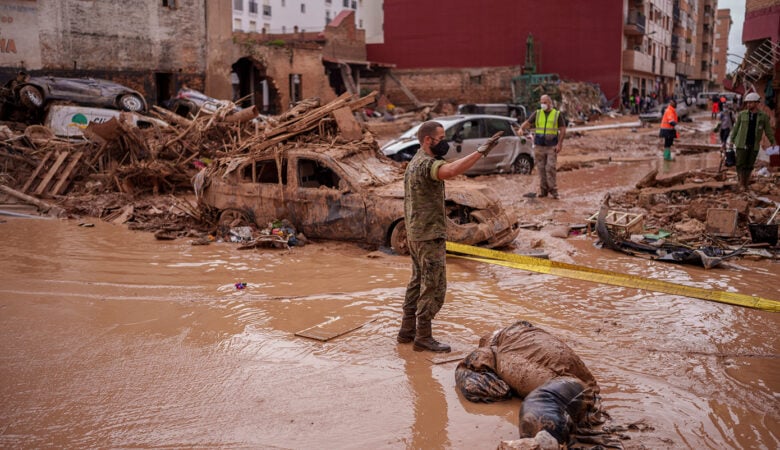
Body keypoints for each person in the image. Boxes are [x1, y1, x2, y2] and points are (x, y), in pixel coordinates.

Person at [397, 121, 503, 353]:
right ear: (427, 140)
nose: (444, 142)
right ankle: (423, 337)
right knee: (433, 285)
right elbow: (451, 171)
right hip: (428, 234)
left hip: (416, 232)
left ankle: (406, 332)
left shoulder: (415, 160)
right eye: (441, 137)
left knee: (417, 281)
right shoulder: (426, 164)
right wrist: (480, 152)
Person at [518, 94, 566, 199]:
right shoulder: (537, 113)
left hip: (552, 146)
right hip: (539, 146)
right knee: (541, 169)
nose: (543, 104)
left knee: (550, 168)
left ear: (550, 103)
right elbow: (527, 123)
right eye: (541, 102)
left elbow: (562, 129)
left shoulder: (556, 114)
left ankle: (553, 191)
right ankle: (543, 191)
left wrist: (560, 144)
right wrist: (521, 128)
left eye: (545, 102)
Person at [728, 92, 776, 192]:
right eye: (747, 103)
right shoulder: (742, 115)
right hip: (741, 143)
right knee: (740, 164)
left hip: (754, 144)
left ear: (756, 103)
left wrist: (772, 141)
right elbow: (735, 128)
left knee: (749, 164)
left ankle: (745, 184)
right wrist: (731, 140)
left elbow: (768, 130)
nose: (748, 105)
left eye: (751, 103)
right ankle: (741, 183)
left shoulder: (763, 117)